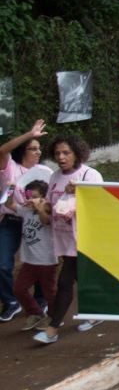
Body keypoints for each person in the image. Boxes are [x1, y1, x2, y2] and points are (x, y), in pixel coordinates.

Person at [34, 135, 104, 344]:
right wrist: (39, 206)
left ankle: (52, 328)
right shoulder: (54, 176)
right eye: (57, 154)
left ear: (77, 153)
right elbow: (50, 206)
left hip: (84, 238)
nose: (61, 157)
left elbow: (101, 205)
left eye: (66, 153)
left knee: (65, 282)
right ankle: (96, 311)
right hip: (63, 239)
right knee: (80, 278)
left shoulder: (89, 175)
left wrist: (79, 192)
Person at [0, 120, 48, 322]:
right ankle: (11, 302)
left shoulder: (44, 172)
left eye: (39, 149)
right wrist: (30, 134)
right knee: (2, 264)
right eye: (32, 148)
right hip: (10, 221)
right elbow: (2, 149)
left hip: (34, 221)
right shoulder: (10, 166)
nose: (37, 152)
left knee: (39, 260)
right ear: (23, 150)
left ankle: (41, 300)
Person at [13, 179, 58, 342]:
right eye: (27, 196)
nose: (29, 200)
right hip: (29, 261)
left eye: (34, 197)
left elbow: (46, 221)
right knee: (19, 289)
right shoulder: (25, 211)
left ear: (44, 198)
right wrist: (11, 189)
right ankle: (36, 313)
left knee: (50, 293)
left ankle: (54, 318)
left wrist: (40, 207)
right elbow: (11, 205)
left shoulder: (48, 211)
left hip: (46, 261)